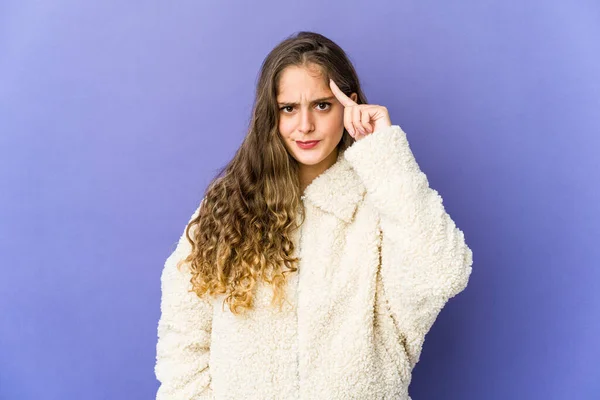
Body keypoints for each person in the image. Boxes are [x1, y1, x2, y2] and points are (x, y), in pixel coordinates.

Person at [154, 31, 473, 400]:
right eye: (288, 108)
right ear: (270, 115)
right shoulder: (229, 206)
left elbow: (442, 272)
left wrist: (385, 152)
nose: (304, 125)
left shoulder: (384, 200)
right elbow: (184, 335)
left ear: (349, 106)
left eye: (322, 105)